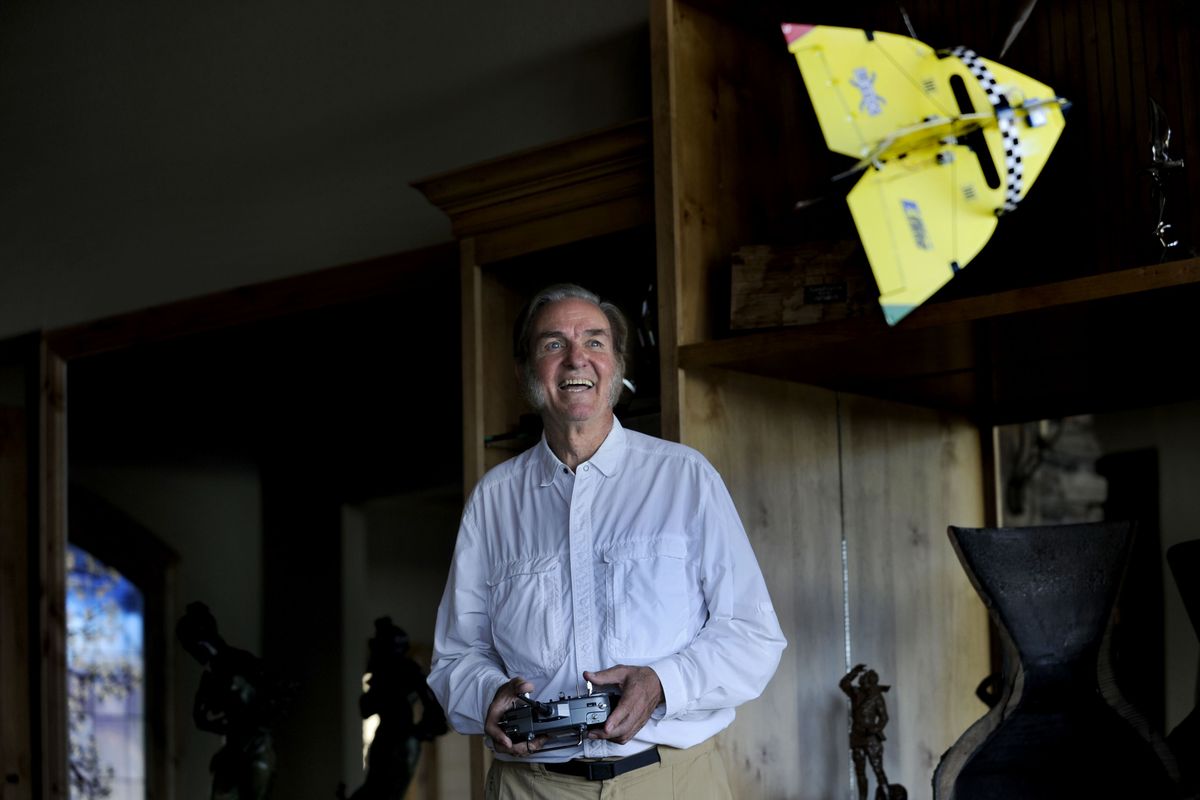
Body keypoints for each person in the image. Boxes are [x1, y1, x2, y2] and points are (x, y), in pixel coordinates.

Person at [428, 283, 787, 798]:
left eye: (595, 342)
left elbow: (754, 635)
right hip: (531, 787)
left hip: (671, 780)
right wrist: (488, 694)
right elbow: (455, 658)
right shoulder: (494, 501)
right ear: (527, 371)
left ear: (617, 365)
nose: (577, 358)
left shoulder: (684, 478)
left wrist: (663, 683)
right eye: (553, 344)